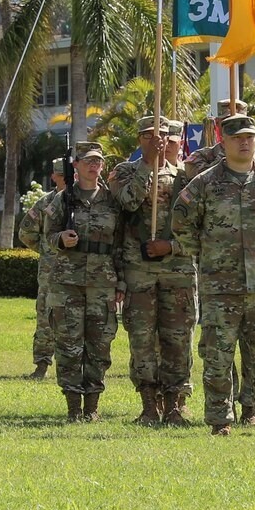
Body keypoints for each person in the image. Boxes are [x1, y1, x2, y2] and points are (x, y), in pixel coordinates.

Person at [172, 112, 255, 435]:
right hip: (219, 286)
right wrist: (205, 252)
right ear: (224, 141)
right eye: (237, 137)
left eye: (250, 137)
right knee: (218, 358)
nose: (245, 142)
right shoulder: (204, 183)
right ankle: (220, 421)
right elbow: (181, 221)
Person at [28, 142, 126, 420]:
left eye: (98, 161)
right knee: (69, 345)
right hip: (66, 282)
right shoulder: (61, 200)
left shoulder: (113, 202)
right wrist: (60, 239)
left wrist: (121, 283)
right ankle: (73, 407)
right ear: (76, 166)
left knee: (99, 346)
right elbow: (46, 236)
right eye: (87, 161)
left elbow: (121, 245)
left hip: (102, 283)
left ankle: (92, 407)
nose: (93, 166)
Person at [114, 117, 199, 423]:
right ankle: (150, 404)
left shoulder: (185, 177)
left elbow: (197, 226)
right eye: (149, 136)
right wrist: (146, 165)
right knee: (142, 339)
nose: (157, 141)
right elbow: (127, 203)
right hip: (139, 272)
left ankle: (175, 403)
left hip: (178, 271)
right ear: (139, 139)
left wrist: (171, 247)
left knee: (178, 339)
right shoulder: (125, 172)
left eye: (162, 135)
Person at [18, 158, 68, 379]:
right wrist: (47, 249)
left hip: (82, 270)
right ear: (53, 177)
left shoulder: (88, 201)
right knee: (45, 317)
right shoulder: (45, 203)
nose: (66, 178)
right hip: (51, 271)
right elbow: (26, 233)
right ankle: (41, 364)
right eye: (61, 174)